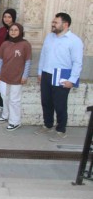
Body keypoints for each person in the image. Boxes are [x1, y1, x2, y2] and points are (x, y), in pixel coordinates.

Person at [35, 12, 83, 142]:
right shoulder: (49, 37)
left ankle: (61, 130)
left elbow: (77, 63)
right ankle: (48, 125)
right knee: (46, 102)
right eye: (53, 22)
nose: (53, 24)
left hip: (62, 77)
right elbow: (43, 55)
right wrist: (40, 72)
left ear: (65, 24)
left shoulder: (74, 41)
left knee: (60, 104)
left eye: (56, 22)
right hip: (46, 74)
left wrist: (72, 80)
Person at [0, 23, 32, 131]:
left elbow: (28, 61)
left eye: (16, 30)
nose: (13, 32)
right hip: (4, 76)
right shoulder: (5, 44)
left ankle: (15, 121)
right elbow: (1, 60)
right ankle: (5, 115)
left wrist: (25, 76)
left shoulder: (25, 44)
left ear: (20, 31)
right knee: (4, 96)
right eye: (11, 30)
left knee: (14, 100)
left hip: (17, 77)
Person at [0, 9, 17, 113]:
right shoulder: (1, 30)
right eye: (5, 16)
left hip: (8, 61)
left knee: (4, 84)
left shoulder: (15, 29)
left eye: (9, 17)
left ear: (13, 18)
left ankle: (2, 104)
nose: (6, 19)